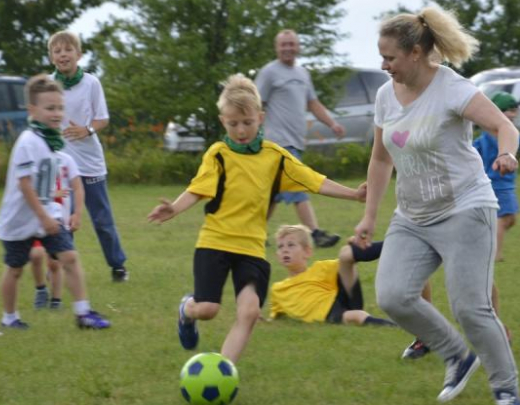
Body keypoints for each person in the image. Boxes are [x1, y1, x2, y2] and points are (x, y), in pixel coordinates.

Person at [353, 6, 520, 405]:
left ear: (415, 53)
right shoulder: (384, 95)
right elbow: (380, 160)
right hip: (412, 217)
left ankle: (506, 389)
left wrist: (507, 154)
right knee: (392, 296)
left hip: (465, 207)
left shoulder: (452, 88)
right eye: (382, 57)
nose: (384, 65)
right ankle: (456, 355)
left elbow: (504, 126)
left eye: (390, 57)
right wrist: (369, 216)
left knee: (470, 307)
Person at [147, 74, 366, 364]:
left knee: (249, 312)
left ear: (260, 118)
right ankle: (187, 311)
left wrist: (353, 194)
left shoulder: (276, 157)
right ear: (223, 121)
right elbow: (197, 190)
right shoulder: (219, 155)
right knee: (208, 309)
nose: (241, 130)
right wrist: (174, 209)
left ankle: (224, 369)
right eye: (233, 123)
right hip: (215, 242)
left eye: (247, 123)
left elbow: (314, 181)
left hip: (251, 248)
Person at [0, 74, 111, 330]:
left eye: (60, 108)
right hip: (20, 220)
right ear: (32, 110)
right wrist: (44, 217)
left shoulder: (53, 143)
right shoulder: (29, 142)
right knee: (15, 269)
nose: (57, 113)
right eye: (50, 108)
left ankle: (83, 313)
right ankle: (9, 317)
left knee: (69, 257)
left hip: (48, 217)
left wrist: (56, 213)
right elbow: (24, 185)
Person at [47, 31, 129, 282]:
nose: (63, 55)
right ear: (52, 58)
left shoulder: (92, 83)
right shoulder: (49, 85)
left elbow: (102, 118)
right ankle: (60, 266)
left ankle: (118, 265)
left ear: (78, 54)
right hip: (61, 167)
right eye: (57, 51)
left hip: (91, 165)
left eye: (68, 50)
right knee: (61, 218)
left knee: (102, 220)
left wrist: (86, 130)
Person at [255, 29, 346, 248]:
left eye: (291, 44)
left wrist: (332, 123)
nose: (288, 48)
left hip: (295, 141)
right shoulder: (269, 73)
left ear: (298, 47)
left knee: (274, 193)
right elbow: (256, 104)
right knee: (298, 185)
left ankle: (253, 234)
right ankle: (315, 233)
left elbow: (313, 103)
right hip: (276, 142)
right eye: (283, 44)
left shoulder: (303, 73)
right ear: (277, 48)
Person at [269, 225, 396, 327]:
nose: (285, 250)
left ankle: (399, 243)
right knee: (358, 316)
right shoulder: (278, 289)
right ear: (277, 255)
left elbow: (347, 264)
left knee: (345, 254)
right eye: (280, 247)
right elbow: (275, 316)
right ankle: (398, 327)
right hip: (327, 314)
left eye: (291, 245)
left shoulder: (320, 268)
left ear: (307, 252)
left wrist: (353, 245)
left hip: (340, 301)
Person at [474, 92, 520, 263]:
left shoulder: (489, 135)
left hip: (499, 184)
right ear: (497, 112)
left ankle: (487, 241)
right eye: (510, 111)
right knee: (505, 219)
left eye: (515, 111)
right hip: (500, 184)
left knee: (508, 220)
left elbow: (473, 149)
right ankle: (495, 254)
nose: (514, 115)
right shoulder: (494, 135)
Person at [30, 241, 63, 310]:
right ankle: (41, 290)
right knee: (36, 255)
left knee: (54, 263)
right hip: (34, 231)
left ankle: (56, 300)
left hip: (54, 231)